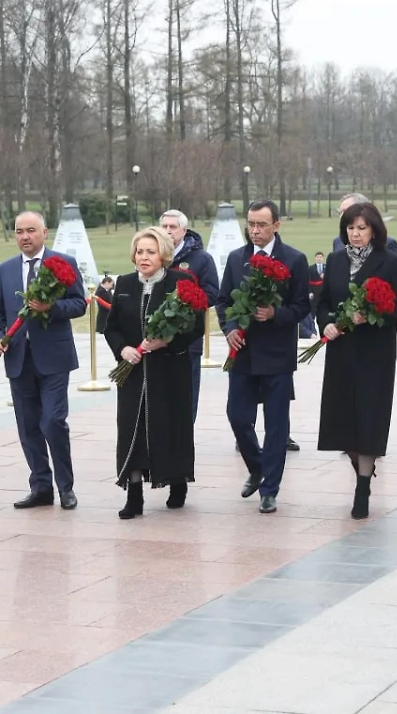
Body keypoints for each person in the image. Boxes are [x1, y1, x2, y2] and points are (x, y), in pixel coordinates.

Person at [315, 202, 397, 520]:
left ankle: (362, 488)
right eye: (351, 228)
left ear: (374, 230)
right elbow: (324, 301)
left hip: (375, 354)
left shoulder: (392, 262)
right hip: (341, 351)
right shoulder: (335, 259)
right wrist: (327, 322)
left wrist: (371, 315)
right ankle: (361, 467)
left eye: (362, 228)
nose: (355, 234)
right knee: (343, 419)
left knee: (369, 418)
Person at [0, 211, 87, 510]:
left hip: (54, 358)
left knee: (53, 421)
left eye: (31, 230)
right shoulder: (5, 270)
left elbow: (79, 303)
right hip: (19, 359)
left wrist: (50, 307)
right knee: (28, 425)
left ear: (44, 232)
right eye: (19, 231)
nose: (25, 237)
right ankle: (41, 486)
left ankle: (65, 487)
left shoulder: (62, 264)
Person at [217, 199, 310, 514]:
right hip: (241, 353)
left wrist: (275, 313)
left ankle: (270, 488)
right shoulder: (235, 259)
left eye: (261, 225)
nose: (255, 231)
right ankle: (257, 467)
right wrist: (229, 327)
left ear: (276, 226)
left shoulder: (294, 260)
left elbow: (301, 307)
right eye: (251, 224)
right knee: (238, 417)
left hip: (276, 355)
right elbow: (223, 300)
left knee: (276, 425)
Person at [104, 227, 203, 518]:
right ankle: (134, 495)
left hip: (169, 370)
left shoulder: (179, 282)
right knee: (131, 429)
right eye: (139, 251)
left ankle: (177, 480)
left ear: (164, 254)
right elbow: (111, 328)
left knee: (169, 427)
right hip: (133, 374)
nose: (143, 257)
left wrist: (168, 341)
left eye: (150, 251)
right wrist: (123, 350)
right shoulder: (123, 283)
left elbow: (195, 326)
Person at [160, 209, 219, 421]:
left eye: (172, 227)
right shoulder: (152, 254)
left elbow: (212, 294)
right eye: (164, 226)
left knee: (186, 394)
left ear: (184, 231)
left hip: (187, 339)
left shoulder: (201, 259)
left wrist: (185, 302)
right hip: (154, 338)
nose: (168, 231)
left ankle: (183, 440)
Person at [332, 193, 397, 253]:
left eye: (347, 211)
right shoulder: (338, 242)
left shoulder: (387, 244)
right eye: (341, 212)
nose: (342, 216)